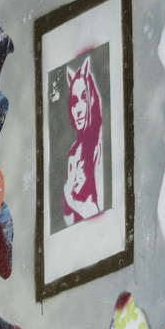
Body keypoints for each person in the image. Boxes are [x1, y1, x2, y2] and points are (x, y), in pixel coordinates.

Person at [62, 57, 104, 225]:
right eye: (74, 102)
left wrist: (71, 201)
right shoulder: (73, 151)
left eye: (84, 98)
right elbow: (68, 220)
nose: (78, 110)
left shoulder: (97, 145)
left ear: (92, 98)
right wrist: (67, 204)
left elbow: (98, 211)